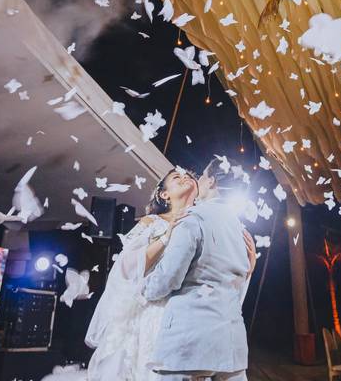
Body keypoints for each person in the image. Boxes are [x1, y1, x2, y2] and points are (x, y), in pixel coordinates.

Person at [143, 158, 254, 381]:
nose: (198, 180)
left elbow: (168, 279)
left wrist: (144, 287)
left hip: (190, 343)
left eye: (202, 176)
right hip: (232, 346)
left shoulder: (193, 219)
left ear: (211, 181)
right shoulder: (238, 228)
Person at [85, 168, 199, 381]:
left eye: (190, 176)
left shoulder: (200, 227)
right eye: (177, 177)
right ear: (164, 195)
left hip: (184, 318)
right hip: (147, 314)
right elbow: (127, 267)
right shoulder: (152, 222)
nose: (186, 177)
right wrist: (167, 236)